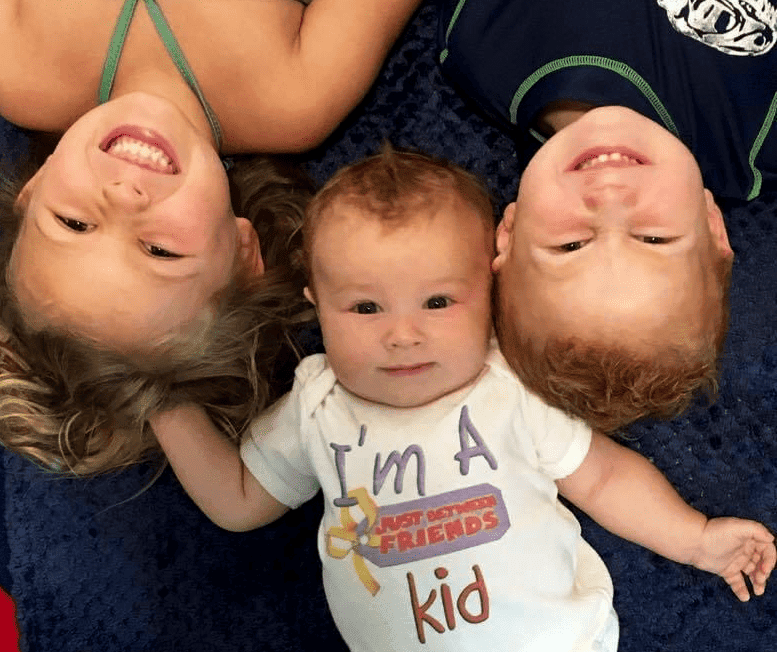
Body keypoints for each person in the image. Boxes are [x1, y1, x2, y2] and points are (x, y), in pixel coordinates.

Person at [149, 147, 776, 652]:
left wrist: (695, 539)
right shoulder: (316, 405)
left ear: (490, 291)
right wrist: (158, 402)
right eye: (365, 308)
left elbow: (606, 479)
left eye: (439, 302)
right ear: (317, 305)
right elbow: (238, 500)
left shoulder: (510, 388)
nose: (401, 335)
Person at [0, 0, 422, 474]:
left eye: (73, 223)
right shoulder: (294, 100)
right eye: (160, 250)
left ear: (31, 193)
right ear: (244, 254)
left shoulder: (17, 71)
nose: (123, 196)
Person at [436, 0, 777, 432]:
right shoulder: (754, 141)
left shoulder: (478, 42)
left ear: (508, 231)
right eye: (654, 238)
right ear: (712, 224)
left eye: (571, 244)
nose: (610, 198)